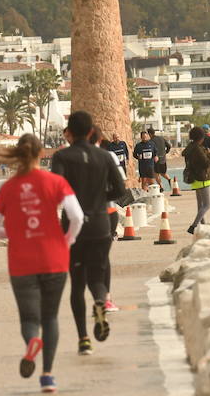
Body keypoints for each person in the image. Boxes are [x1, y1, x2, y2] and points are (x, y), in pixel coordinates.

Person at [0, 134, 83, 393]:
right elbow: (77, 216)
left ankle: (33, 342)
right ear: (42, 154)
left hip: (21, 262)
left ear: (19, 155)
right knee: (50, 317)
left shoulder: (8, 187)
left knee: (30, 318)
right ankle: (48, 376)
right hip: (55, 257)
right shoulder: (55, 181)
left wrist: (14, 232)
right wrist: (68, 240)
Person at [51, 111, 126, 357]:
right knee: (98, 274)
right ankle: (100, 301)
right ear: (92, 132)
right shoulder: (105, 156)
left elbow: (56, 187)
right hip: (101, 225)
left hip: (74, 227)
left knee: (77, 284)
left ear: (69, 132)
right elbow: (120, 188)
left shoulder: (62, 156)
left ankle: (84, 339)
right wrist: (98, 197)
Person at [91, 128, 124, 313]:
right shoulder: (108, 156)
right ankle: (105, 298)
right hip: (107, 212)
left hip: (98, 213)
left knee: (96, 258)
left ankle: (103, 298)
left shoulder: (68, 157)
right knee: (101, 258)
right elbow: (120, 187)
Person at [181, 126, 210, 234]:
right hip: (203, 178)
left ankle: (203, 226)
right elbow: (206, 163)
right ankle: (194, 226)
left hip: (195, 178)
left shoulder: (190, 148)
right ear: (200, 137)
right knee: (207, 205)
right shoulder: (198, 149)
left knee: (200, 206)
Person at [147, 127, 171, 192]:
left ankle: (161, 187)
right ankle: (170, 180)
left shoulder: (151, 141)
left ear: (149, 134)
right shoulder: (161, 138)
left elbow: (151, 151)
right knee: (163, 172)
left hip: (156, 160)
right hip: (163, 159)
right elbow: (169, 146)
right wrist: (166, 152)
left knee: (156, 174)